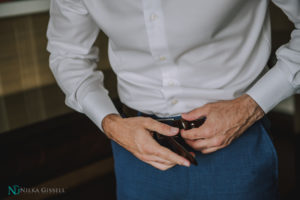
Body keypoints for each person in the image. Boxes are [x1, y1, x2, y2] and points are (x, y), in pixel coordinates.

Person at [47, 0, 300, 199]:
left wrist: (251, 106)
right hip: (135, 149)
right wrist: (110, 123)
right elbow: (67, 54)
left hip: (235, 143)